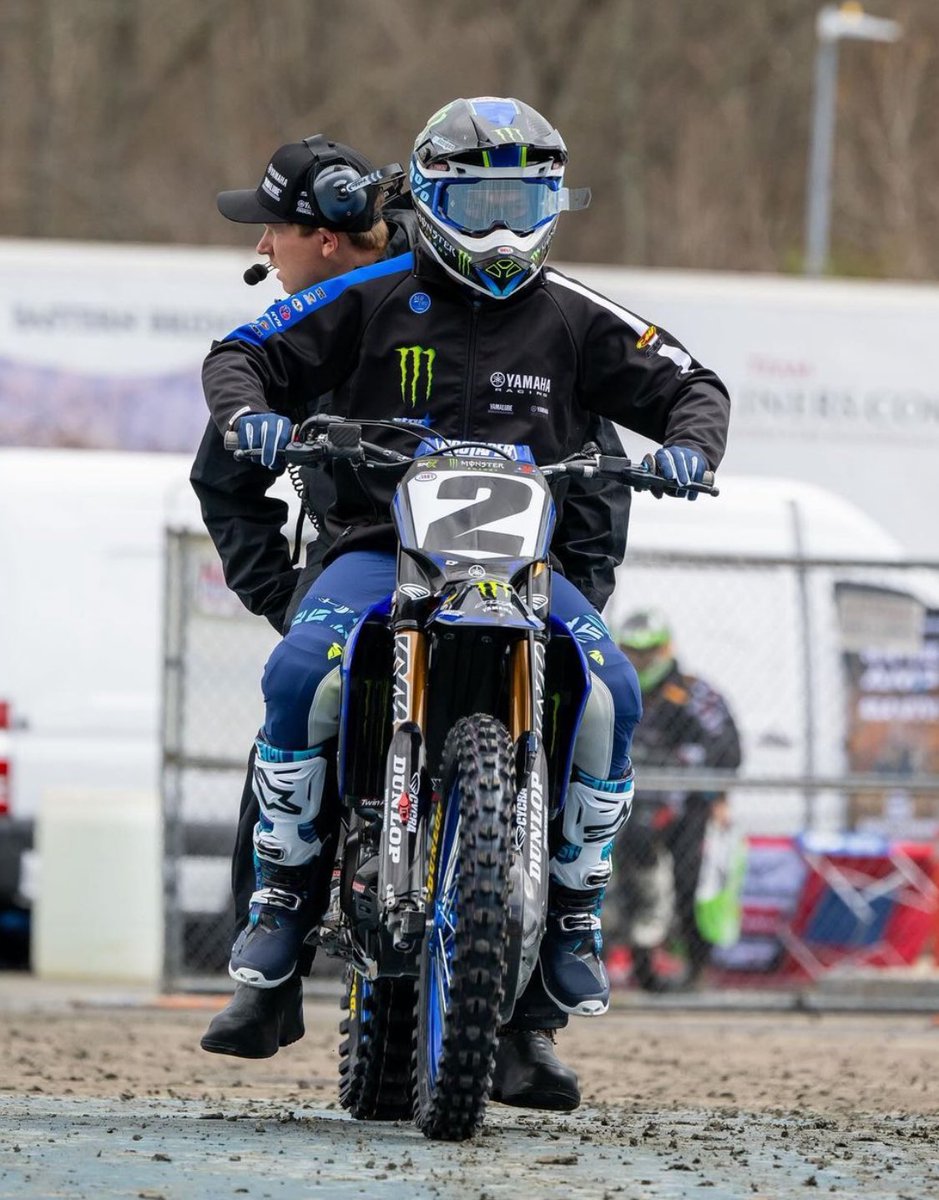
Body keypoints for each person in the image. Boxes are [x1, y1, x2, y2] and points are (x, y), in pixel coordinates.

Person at [199, 97, 731, 1108]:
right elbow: (243, 355)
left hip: (532, 567)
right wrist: (253, 418)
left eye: (522, 198)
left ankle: (574, 916)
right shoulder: (367, 295)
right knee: (298, 671)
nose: (499, 223)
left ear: (554, 202)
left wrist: (692, 448)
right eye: (478, 198)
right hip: (375, 550)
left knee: (613, 689)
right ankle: (277, 902)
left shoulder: (578, 314)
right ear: (432, 197)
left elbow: (691, 383)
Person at [614, 609, 742, 991]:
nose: (640, 660)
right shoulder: (614, 688)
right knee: (632, 886)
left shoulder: (694, 692)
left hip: (687, 806)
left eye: (649, 651)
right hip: (628, 806)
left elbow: (728, 749)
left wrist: (716, 794)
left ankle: (697, 970)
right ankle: (641, 970)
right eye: (631, 652)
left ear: (666, 647)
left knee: (692, 885)